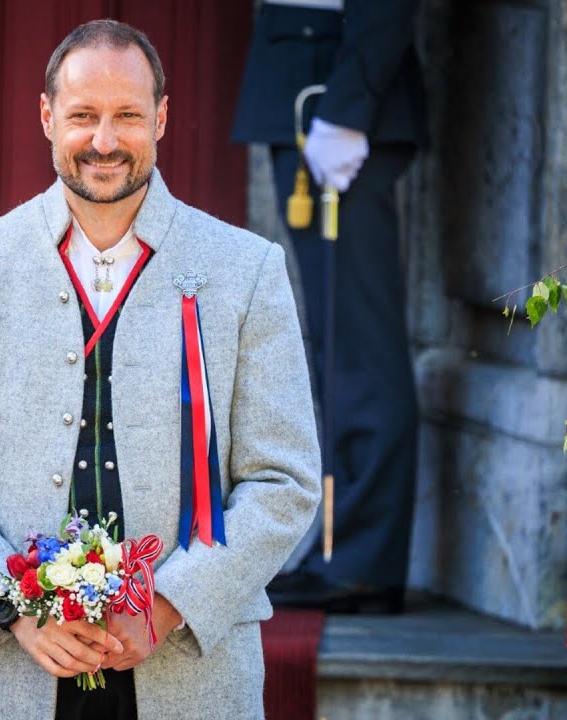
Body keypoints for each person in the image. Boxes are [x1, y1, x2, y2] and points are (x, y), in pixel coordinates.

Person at [0, 19, 320, 720]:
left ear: (161, 117)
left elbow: (285, 480)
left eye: (126, 116)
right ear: (45, 117)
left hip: (189, 673)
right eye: (83, 116)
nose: (104, 141)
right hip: (8, 674)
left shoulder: (246, 270)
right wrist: (14, 608)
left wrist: (172, 603)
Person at [231, 0, 427, 613]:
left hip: (332, 95)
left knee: (356, 346)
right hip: (306, 84)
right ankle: (345, 551)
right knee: (335, 344)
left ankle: (362, 559)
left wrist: (347, 109)